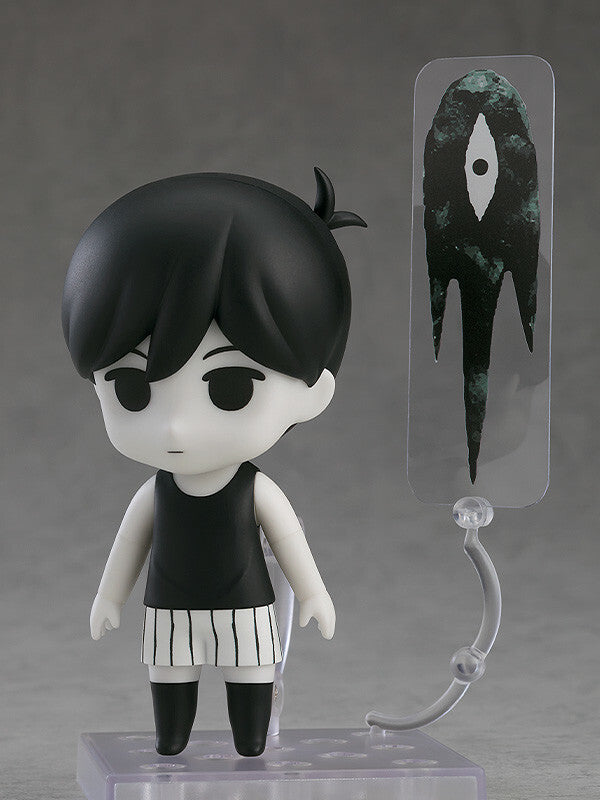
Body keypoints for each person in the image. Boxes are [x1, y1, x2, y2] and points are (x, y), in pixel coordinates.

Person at [62, 168, 365, 757]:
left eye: (230, 387)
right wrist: (109, 597)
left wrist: (314, 593)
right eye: (131, 388)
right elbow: (129, 544)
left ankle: (250, 742)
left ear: (314, 392)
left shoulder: (256, 491)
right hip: (168, 610)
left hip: (247, 608)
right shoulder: (156, 494)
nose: (176, 428)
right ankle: (170, 740)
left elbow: (290, 541)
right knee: (170, 676)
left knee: (250, 674)